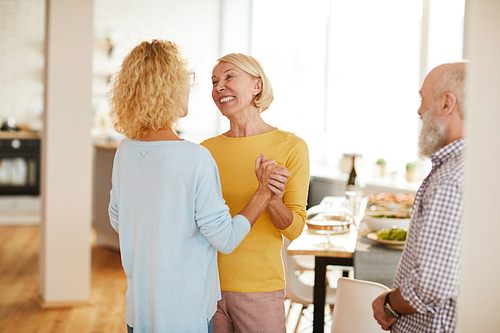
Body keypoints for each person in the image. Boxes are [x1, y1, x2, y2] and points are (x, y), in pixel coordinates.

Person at [107, 40, 290, 333]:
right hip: (185, 315)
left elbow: (118, 219)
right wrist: (263, 192)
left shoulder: (126, 150)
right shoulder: (195, 157)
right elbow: (225, 239)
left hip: (139, 311)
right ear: (169, 88)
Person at [201, 53, 310, 332]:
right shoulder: (205, 151)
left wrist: (271, 197)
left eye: (229, 77)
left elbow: (295, 229)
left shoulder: (290, 146)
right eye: (214, 82)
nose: (219, 87)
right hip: (206, 288)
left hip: (259, 288)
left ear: (257, 86)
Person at [372, 61, 468, 332]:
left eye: (423, 99)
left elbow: (432, 285)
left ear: (447, 103)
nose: (419, 110)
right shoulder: (467, 167)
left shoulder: (451, 179)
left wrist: (388, 303)